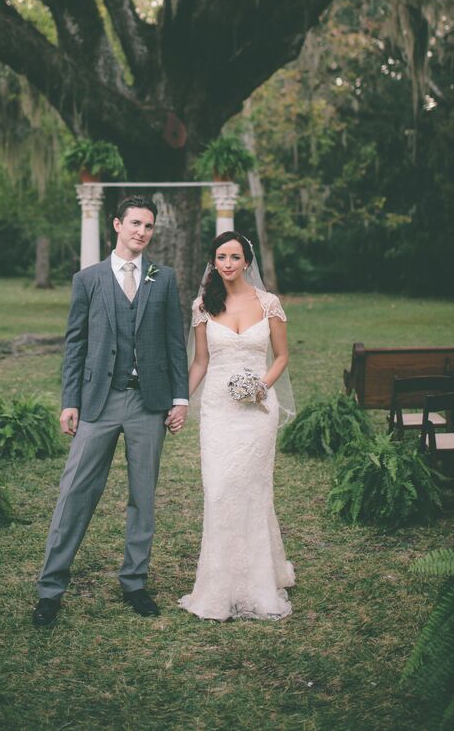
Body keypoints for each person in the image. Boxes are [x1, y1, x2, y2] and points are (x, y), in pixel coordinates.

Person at [33, 195, 189, 626]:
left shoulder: (164, 277)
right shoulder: (88, 279)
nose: (142, 231)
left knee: (143, 496)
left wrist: (180, 398)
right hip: (98, 402)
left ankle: (134, 582)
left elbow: (176, 343)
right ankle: (50, 588)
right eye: (135, 223)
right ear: (117, 225)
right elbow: (76, 344)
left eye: (149, 226)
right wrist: (70, 401)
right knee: (75, 493)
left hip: (148, 403)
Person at [178, 231, 295, 621]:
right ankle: (218, 584)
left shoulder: (269, 304)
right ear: (214, 262)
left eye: (234, 256)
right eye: (220, 257)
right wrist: (181, 401)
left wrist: (261, 385)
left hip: (258, 411)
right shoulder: (203, 305)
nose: (227, 263)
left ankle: (260, 580)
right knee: (219, 491)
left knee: (252, 489)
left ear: (247, 261)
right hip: (217, 410)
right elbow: (200, 362)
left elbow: (280, 357)